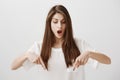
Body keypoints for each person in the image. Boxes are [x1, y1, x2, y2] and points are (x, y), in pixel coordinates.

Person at [11, 5, 111, 80]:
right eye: (55, 22)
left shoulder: (78, 44)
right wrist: (27, 55)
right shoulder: (39, 46)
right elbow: (13, 66)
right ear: (49, 24)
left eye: (63, 22)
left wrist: (89, 53)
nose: (59, 26)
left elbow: (108, 61)